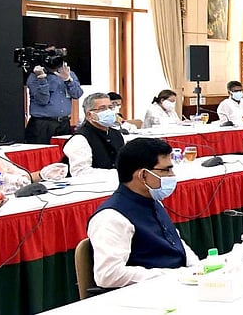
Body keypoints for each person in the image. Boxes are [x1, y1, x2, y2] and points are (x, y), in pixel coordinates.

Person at [87, 138, 199, 289]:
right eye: (166, 170)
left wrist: (196, 269)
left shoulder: (153, 201)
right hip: (147, 294)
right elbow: (108, 275)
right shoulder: (111, 217)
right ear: (143, 175)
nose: (172, 175)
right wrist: (170, 275)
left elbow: (176, 243)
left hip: (177, 284)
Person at [64, 93, 127, 177]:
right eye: (102, 108)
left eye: (110, 107)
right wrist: (116, 173)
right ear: (89, 115)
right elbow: (80, 172)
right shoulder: (80, 139)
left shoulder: (117, 134)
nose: (108, 111)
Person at [25, 61, 84, 144]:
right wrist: (42, 79)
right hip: (43, 124)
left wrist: (68, 80)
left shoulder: (69, 73)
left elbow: (77, 94)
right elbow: (42, 100)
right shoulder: (34, 76)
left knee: (63, 153)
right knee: (43, 153)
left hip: (64, 123)